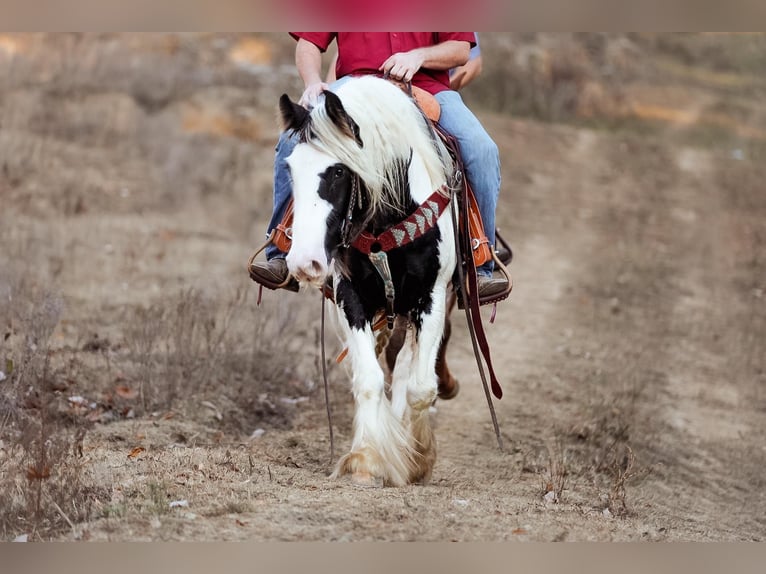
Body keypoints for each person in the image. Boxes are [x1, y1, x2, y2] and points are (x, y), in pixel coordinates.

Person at [249, 33, 507, 299]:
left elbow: (461, 50)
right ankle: (281, 248)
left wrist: (419, 56)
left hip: (426, 88)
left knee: (481, 150)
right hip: (355, 87)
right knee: (292, 139)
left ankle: (479, 261)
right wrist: (313, 82)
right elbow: (309, 42)